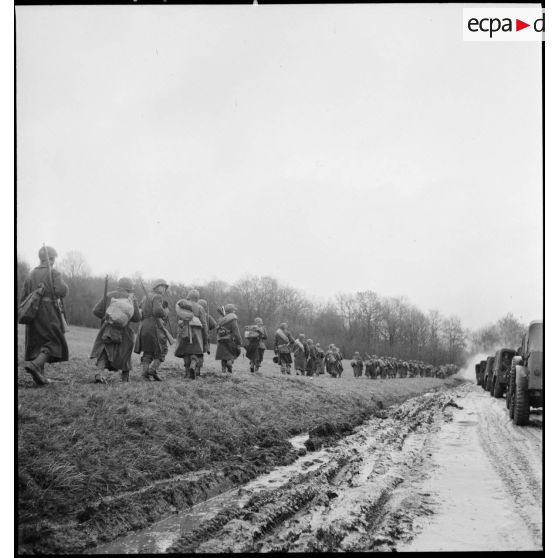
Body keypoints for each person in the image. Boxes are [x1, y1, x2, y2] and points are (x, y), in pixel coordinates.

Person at [21, 246, 69, 386]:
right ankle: (35, 366)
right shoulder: (53, 272)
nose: (54, 261)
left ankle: (40, 377)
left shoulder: (30, 274)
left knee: (38, 343)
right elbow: (61, 291)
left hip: (32, 312)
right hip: (48, 312)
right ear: (51, 259)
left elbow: (23, 298)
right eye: (54, 259)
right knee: (53, 341)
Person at [89, 277, 140, 383]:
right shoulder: (132, 298)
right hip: (124, 331)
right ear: (130, 288)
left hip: (108, 329)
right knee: (125, 354)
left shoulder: (109, 295)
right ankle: (125, 379)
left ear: (119, 286)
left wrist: (106, 317)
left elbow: (96, 311)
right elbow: (136, 318)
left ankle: (99, 374)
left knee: (104, 352)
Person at [134, 278, 170, 381]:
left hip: (144, 326)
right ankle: (153, 369)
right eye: (162, 286)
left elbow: (141, 309)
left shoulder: (146, 297)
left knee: (148, 350)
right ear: (157, 287)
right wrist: (165, 313)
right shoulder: (157, 297)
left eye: (165, 287)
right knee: (163, 349)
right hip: (154, 326)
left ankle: (144, 374)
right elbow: (157, 311)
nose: (164, 289)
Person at [174, 289, 208, 380]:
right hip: (197, 332)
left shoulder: (182, 306)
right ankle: (193, 365)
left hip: (184, 329)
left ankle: (186, 373)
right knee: (196, 351)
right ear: (197, 298)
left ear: (188, 296)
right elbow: (204, 323)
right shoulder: (200, 308)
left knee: (186, 352)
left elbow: (178, 320)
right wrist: (205, 336)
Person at [215, 303, 243, 373]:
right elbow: (236, 331)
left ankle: (223, 371)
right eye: (234, 310)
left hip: (221, 340)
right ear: (232, 311)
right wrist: (239, 341)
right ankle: (229, 363)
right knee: (232, 355)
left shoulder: (221, 319)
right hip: (230, 340)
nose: (235, 311)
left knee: (223, 356)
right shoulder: (233, 319)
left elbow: (217, 330)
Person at [197, 299, 216, 376]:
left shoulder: (193, 314)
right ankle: (198, 370)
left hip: (194, 336)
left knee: (193, 353)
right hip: (203, 337)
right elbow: (214, 324)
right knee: (200, 354)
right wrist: (208, 328)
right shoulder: (207, 316)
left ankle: (192, 368)